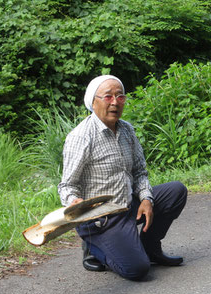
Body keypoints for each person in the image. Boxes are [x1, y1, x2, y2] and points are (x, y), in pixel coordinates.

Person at [58, 75, 187, 280]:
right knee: (137, 270)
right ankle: (94, 249)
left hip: (128, 205)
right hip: (101, 217)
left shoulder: (127, 130)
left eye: (120, 97)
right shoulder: (81, 137)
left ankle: (150, 247)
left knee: (175, 191)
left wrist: (146, 199)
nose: (115, 103)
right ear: (93, 102)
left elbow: (139, 172)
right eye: (108, 97)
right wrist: (75, 202)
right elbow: (67, 185)